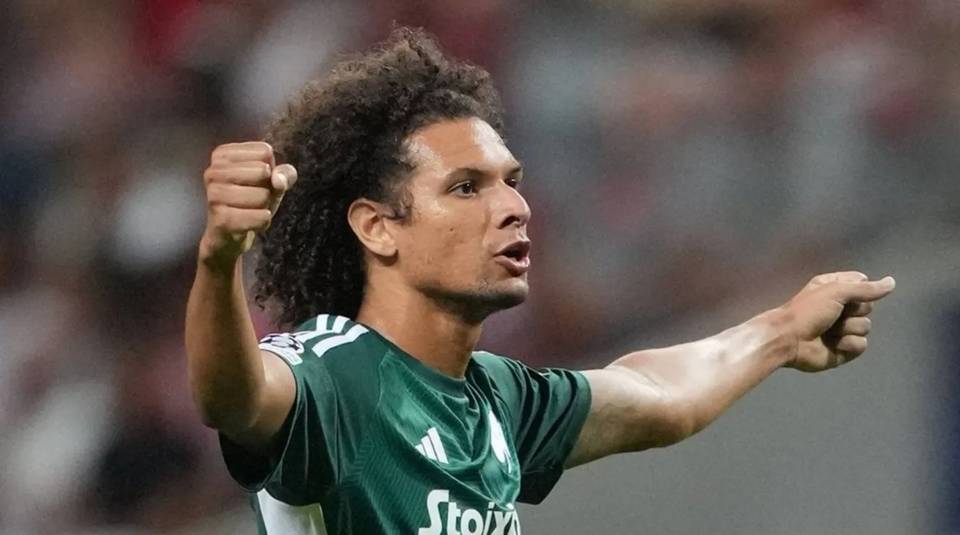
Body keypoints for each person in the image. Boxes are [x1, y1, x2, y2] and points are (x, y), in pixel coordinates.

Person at [185, 28, 896, 534]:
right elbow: (232, 395)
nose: (513, 207)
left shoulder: (498, 398)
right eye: (466, 187)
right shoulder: (334, 376)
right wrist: (220, 257)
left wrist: (784, 330)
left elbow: (658, 395)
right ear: (378, 227)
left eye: (512, 181)